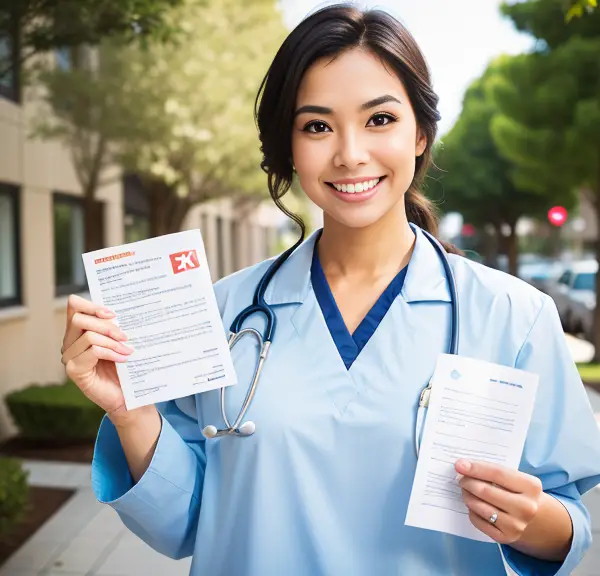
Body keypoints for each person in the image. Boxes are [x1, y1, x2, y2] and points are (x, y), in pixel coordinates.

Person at [60, 4, 600, 575]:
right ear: (289, 147)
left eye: (380, 120)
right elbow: (186, 520)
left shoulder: (515, 317)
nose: (349, 153)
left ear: (420, 132)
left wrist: (531, 518)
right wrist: (131, 413)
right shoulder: (223, 313)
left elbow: (567, 522)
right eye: (317, 126)